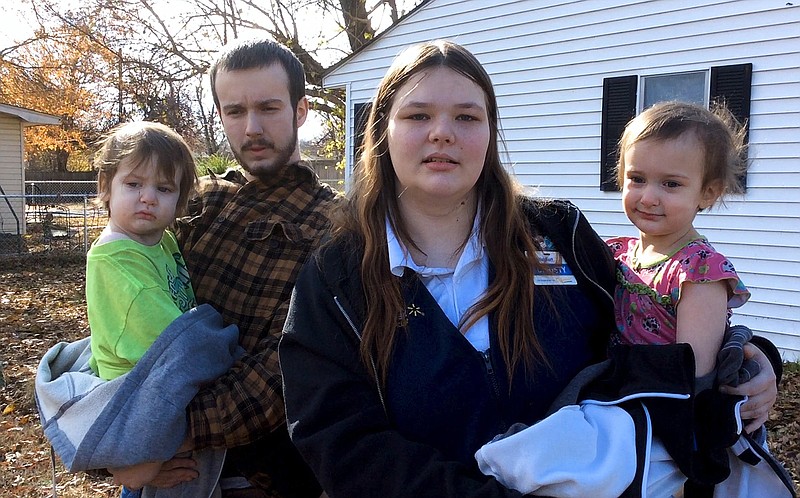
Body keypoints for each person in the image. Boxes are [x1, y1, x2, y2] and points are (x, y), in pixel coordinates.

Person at [278, 40, 782, 498]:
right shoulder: (335, 278)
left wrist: (753, 358)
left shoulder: (559, 233)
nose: (442, 133)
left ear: (491, 133)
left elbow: (654, 316)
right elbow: (339, 440)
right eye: (417, 116)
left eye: (467, 117)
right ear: (383, 131)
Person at [474, 102, 796, 497]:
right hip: (622, 389)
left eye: (671, 184)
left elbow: (692, 371)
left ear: (708, 192)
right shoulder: (618, 252)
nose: (648, 197)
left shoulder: (699, 272)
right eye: (637, 179)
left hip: (657, 410)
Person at [110, 39, 339, 498]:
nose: (251, 128)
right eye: (234, 111)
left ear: (301, 110)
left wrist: (155, 438)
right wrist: (120, 441)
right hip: (151, 464)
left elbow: (289, 368)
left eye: (269, 108)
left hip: (248, 477)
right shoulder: (198, 201)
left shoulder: (334, 227)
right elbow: (126, 305)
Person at [88, 121, 198, 382]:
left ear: (179, 200)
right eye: (134, 184)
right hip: (136, 389)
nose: (148, 197)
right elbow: (174, 345)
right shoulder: (119, 261)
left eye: (164, 188)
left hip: (163, 374)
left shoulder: (163, 240)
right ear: (106, 186)